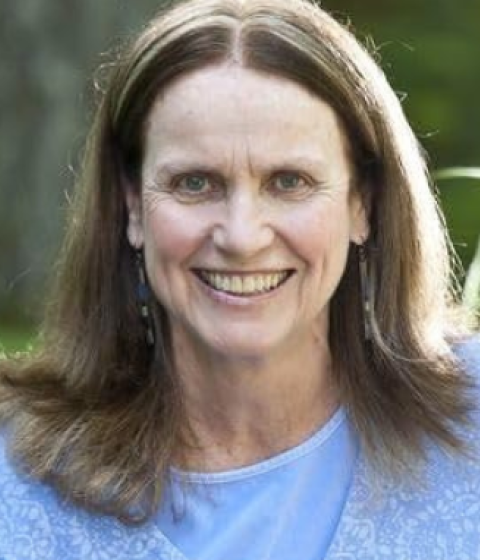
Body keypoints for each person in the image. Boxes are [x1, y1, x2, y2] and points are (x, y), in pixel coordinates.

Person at [0, 0, 479, 557]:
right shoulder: (16, 479)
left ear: (362, 203)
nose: (242, 236)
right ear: (132, 206)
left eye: (289, 181)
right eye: (196, 183)